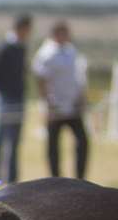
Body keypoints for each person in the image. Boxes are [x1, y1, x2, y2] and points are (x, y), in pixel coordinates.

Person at [31, 20, 89, 179]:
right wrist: (48, 103)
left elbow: (78, 76)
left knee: (82, 141)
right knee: (53, 145)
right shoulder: (46, 54)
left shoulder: (71, 51)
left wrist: (81, 97)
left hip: (73, 105)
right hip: (55, 106)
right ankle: (55, 177)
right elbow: (41, 80)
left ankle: (80, 177)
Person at [0, 14, 32, 184]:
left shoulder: (22, 48)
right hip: (6, 99)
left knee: (15, 140)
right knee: (0, 139)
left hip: (19, 98)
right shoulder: (4, 48)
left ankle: (12, 178)